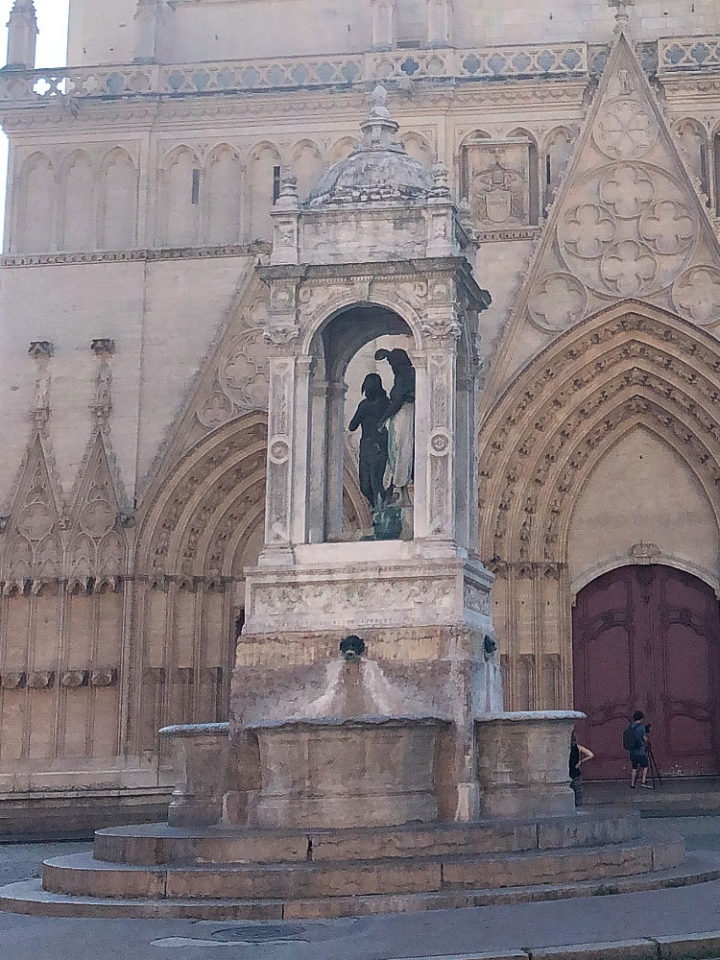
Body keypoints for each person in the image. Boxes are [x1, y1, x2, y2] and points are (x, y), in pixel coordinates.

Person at [374, 348, 415, 506]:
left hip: (403, 415)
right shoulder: (408, 373)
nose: (391, 366)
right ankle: (400, 489)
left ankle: (398, 486)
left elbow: (397, 400)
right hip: (405, 415)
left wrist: (382, 420)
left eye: (391, 363)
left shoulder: (404, 374)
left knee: (399, 449)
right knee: (398, 449)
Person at [348, 373, 389, 509]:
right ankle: (379, 507)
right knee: (367, 485)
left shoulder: (376, 404)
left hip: (378, 446)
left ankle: (380, 509)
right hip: (368, 446)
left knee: (374, 483)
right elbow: (352, 426)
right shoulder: (382, 403)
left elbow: (352, 426)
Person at [627, 710, 652, 789]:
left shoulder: (631, 727)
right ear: (641, 718)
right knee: (645, 766)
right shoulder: (641, 728)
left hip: (632, 751)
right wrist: (648, 735)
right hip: (640, 751)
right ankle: (643, 781)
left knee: (634, 768)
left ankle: (632, 784)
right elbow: (645, 739)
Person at [569, 730, 594, 808]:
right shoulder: (579, 747)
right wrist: (581, 761)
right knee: (578, 791)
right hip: (576, 771)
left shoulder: (566, 748)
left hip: (568, 771)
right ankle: (577, 807)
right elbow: (591, 755)